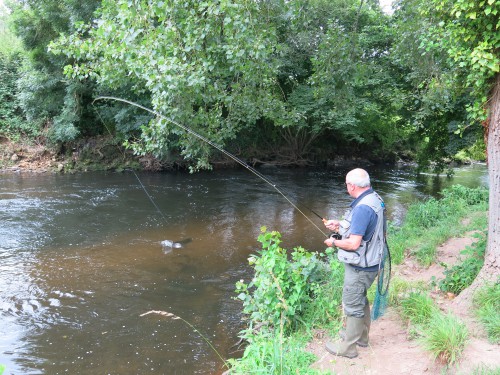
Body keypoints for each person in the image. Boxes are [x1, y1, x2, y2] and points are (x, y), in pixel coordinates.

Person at [323, 168, 387, 358]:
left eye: (346, 184)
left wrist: (333, 241)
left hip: (361, 267)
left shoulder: (362, 208)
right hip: (373, 261)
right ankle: (361, 337)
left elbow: (353, 243)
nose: (346, 187)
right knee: (360, 299)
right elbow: (365, 227)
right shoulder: (374, 198)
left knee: (352, 303)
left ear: (351, 186)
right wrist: (340, 225)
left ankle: (348, 348)